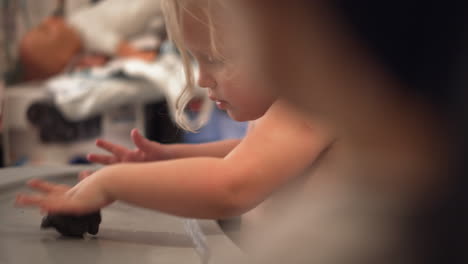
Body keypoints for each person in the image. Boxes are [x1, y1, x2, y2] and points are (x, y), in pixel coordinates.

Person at [15, 0, 332, 231]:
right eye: (197, 59)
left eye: (216, 58)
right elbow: (252, 151)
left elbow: (233, 186)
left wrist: (110, 183)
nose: (202, 79)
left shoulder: (311, 102)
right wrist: (172, 159)